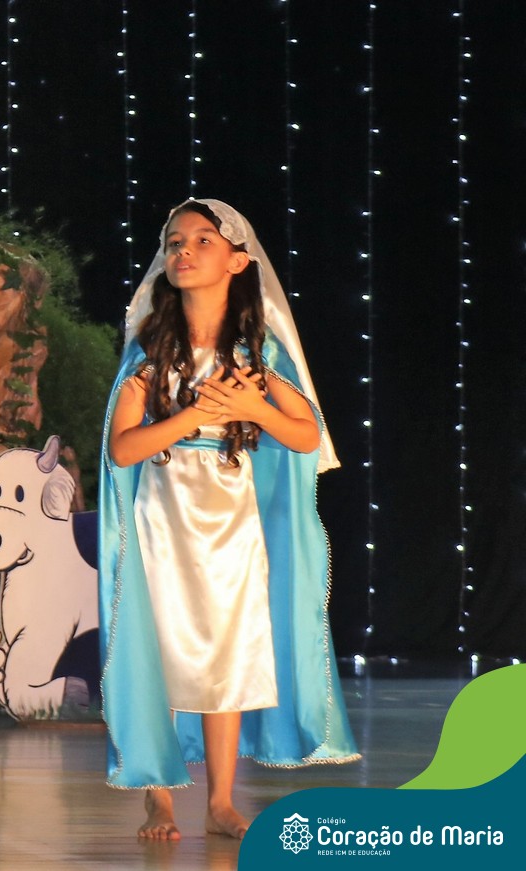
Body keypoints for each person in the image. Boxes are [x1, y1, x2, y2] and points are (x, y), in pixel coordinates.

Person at [97, 198, 359, 840]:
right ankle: (158, 796)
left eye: (201, 241)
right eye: (174, 242)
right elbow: (122, 448)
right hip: (163, 517)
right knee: (159, 644)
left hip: (232, 520)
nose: (183, 251)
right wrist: (190, 416)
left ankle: (219, 801)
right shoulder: (152, 350)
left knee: (227, 647)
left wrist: (254, 408)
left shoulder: (256, 353)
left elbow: (306, 435)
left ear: (238, 262)